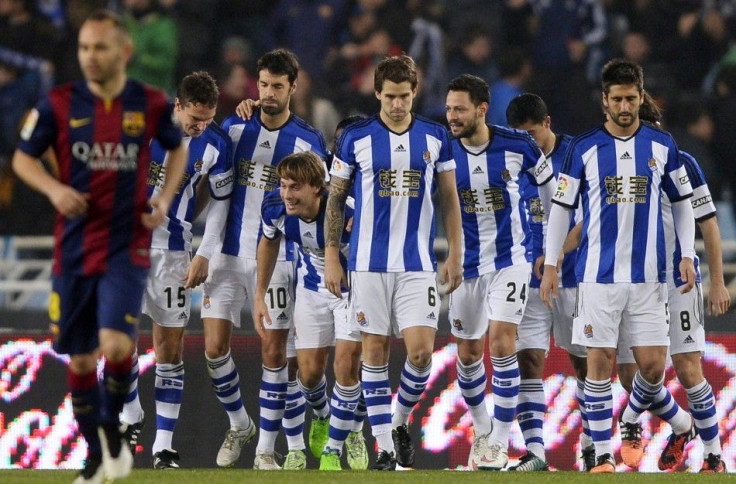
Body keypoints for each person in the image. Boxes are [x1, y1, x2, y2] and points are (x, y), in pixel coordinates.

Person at [10, 9, 185, 483]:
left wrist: (164, 198)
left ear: (124, 51)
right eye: (85, 47)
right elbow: (23, 159)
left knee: (117, 344)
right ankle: (99, 452)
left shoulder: (147, 103)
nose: (90, 56)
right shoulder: (58, 103)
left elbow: (178, 147)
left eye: (100, 47)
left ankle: (112, 428)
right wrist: (54, 190)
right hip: (72, 248)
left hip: (126, 244)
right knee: (82, 358)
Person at [540, 58, 697, 473]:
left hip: (648, 279)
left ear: (640, 98)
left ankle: (661, 423)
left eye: (631, 99)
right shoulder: (584, 148)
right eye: (617, 100)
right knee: (599, 365)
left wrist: (686, 252)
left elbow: (683, 204)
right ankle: (602, 454)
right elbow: (561, 209)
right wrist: (553, 262)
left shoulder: (663, 146)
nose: (625, 107)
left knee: (650, 367)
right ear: (604, 101)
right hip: (598, 278)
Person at [324, 54, 464, 471]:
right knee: (375, 352)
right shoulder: (356, 138)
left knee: (421, 353)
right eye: (390, 97)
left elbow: (450, 198)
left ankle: (399, 419)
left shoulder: (436, 136)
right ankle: (384, 448)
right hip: (366, 264)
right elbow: (334, 199)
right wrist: (333, 255)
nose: (398, 104)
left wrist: (455, 253)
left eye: (404, 96)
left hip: (417, 264)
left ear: (414, 92)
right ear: (377, 94)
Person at [203, 48, 328, 470]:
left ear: (294, 86)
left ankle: (266, 453)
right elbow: (214, 185)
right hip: (227, 253)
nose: (269, 93)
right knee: (214, 348)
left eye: (278, 85)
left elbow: (321, 203)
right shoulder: (234, 128)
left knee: (276, 355)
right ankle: (240, 423)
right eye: (264, 84)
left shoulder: (309, 140)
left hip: (277, 257)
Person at [118, 71, 234, 469]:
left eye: (206, 119)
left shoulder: (216, 144)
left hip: (173, 254)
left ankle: (162, 447)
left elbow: (221, 200)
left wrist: (205, 251)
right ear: (177, 105)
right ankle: (130, 413)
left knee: (169, 349)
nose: (198, 126)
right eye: (193, 118)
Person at [612, 97, 730, 474]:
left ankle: (713, 456)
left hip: (679, 281)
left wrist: (718, 282)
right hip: (635, 280)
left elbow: (709, 223)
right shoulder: (616, 166)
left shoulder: (681, 163)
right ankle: (681, 426)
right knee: (636, 373)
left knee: (688, 368)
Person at [444, 76, 555, 471]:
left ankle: (500, 443)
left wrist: (546, 249)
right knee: (468, 353)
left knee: (503, 342)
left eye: (460, 108)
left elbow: (550, 192)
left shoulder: (519, 145)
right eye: (449, 108)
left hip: (512, 260)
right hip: (466, 265)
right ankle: (482, 428)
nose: (452, 116)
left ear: (481, 109)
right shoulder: (442, 151)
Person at [254, 151, 368, 471]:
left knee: (346, 367)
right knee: (308, 374)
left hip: (351, 293)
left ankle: (333, 449)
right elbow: (268, 242)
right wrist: (259, 295)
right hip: (311, 290)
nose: (287, 194)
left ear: (318, 188)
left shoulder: (346, 210)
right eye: (284, 185)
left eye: (295, 187)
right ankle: (321, 414)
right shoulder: (275, 208)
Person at [505, 93, 591, 471]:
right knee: (529, 359)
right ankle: (536, 452)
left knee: (584, 362)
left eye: (533, 135)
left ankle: (592, 441)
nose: (528, 144)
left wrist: (554, 258)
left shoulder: (576, 157)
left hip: (572, 277)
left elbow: (584, 221)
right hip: (528, 279)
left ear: (548, 123)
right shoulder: (511, 158)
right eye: (519, 136)